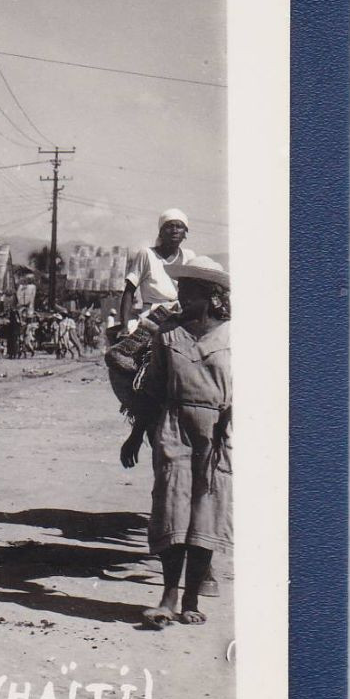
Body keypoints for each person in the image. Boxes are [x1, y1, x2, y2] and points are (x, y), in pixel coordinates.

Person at [120, 258, 231, 628]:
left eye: (189, 289)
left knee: (206, 512)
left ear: (211, 295)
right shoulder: (167, 335)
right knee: (171, 509)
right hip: (173, 426)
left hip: (217, 432)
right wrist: (136, 435)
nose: (181, 295)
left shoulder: (234, 336)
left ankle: (192, 598)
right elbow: (151, 391)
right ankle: (168, 597)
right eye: (180, 287)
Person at [121, 209, 197, 330]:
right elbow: (129, 291)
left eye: (179, 227)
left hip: (180, 316)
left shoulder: (190, 256)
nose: (174, 230)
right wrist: (124, 326)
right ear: (160, 232)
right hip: (152, 318)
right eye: (169, 226)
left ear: (185, 233)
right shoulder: (146, 254)